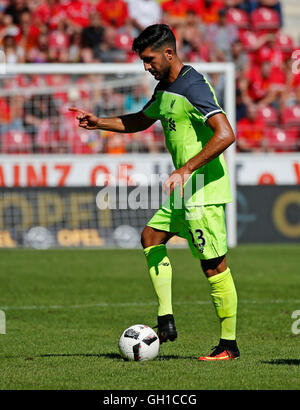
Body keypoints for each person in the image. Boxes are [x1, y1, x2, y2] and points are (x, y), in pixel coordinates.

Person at [69, 24, 239, 361]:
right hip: (184, 190)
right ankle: (166, 320)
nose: (146, 67)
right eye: (143, 61)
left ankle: (228, 346)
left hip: (202, 191)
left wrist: (186, 168)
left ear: (169, 53)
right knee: (151, 236)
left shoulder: (194, 86)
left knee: (214, 267)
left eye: (149, 60)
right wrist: (98, 121)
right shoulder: (164, 90)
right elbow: (140, 121)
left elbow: (225, 134)